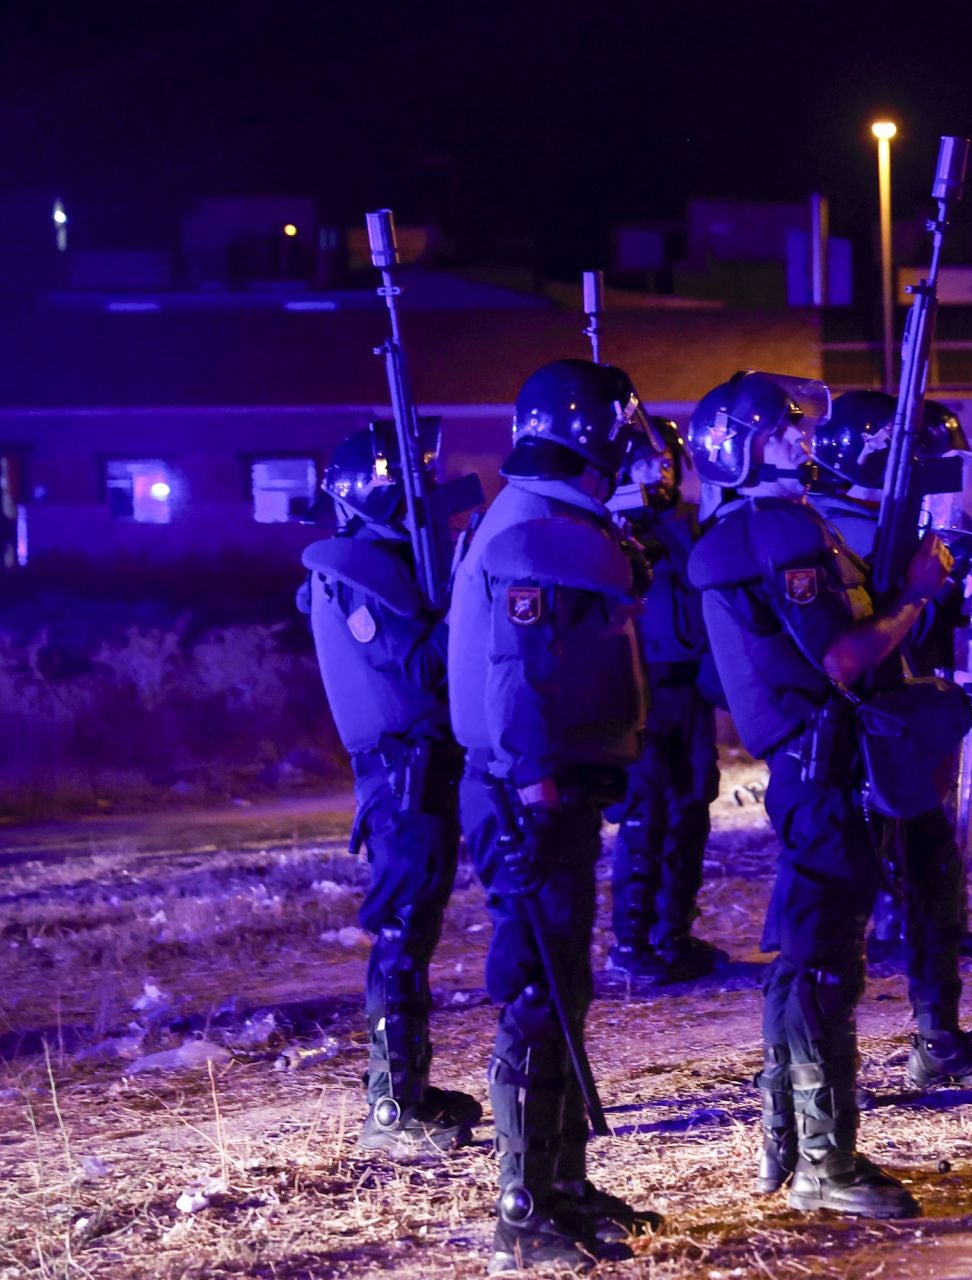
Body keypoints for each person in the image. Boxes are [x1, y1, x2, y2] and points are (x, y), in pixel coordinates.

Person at [685, 370, 957, 1219]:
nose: (801, 441)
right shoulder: (770, 531)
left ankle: (788, 1144)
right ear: (740, 446)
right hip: (819, 761)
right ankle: (824, 1162)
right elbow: (842, 658)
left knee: (814, 952)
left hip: (822, 760)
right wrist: (915, 595)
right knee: (823, 962)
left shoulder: (778, 523)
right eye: (781, 433)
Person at [448, 359, 663, 1271]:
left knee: (563, 990)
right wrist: (537, 790)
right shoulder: (535, 532)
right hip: (526, 794)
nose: (633, 444)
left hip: (552, 788)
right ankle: (523, 1211)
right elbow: (519, 679)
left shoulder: (550, 519)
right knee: (537, 995)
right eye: (622, 428)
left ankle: (563, 1184)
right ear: (590, 430)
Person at [803, 389, 972, 1090]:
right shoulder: (828, 535)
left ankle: (936, 1035)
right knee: (841, 913)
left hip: (900, 738)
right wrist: (919, 589)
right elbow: (853, 648)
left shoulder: (882, 526)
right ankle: (809, 1066)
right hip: (848, 747)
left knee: (934, 882)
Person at [297, 423, 481, 1158]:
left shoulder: (383, 564)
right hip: (400, 777)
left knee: (417, 930)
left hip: (422, 766)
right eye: (412, 484)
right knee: (403, 933)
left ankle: (407, 1089)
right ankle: (391, 1106)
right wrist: (468, 592)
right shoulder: (353, 570)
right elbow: (420, 669)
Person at [603, 419, 729, 982]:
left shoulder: (686, 526)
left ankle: (672, 933)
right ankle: (630, 943)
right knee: (645, 813)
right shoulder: (607, 527)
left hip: (688, 688)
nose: (662, 471)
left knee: (691, 807)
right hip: (638, 686)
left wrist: (668, 522)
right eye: (649, 462)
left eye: (669, 462)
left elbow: (705, 577)